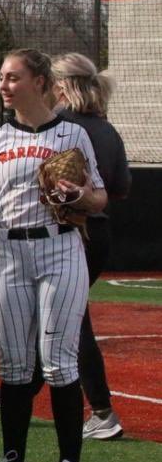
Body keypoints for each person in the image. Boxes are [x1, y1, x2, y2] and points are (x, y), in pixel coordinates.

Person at [0, 49, 107, 462]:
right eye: (3, 77)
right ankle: (14, 459)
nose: (4, 86)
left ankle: (68, 461)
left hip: (60, 248)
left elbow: (97, 196)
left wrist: (81, 196)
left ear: (40, 82)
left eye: (13, 77)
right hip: (9, 252)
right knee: (13, 366)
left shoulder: (72, 135)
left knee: (59, 364)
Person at [52, 53, 131, 441]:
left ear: (60, 85)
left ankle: (102, 410)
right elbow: (121, 188)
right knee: (58, 312)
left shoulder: (60, 126)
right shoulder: (107, 129)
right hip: (100, 234)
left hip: (72, 233)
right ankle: (22, 385)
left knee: (72, 318)